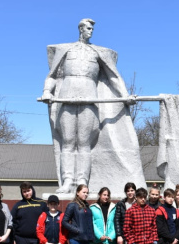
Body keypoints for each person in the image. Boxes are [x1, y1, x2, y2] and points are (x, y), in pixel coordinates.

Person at [41, 18, 143, 193]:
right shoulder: (66, 50)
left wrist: (125, 96)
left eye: (92, 29)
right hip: (66, 98)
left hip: (90, 98)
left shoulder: (98, 52)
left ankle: (82, 182)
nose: (91, 32)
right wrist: (47, 91)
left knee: (84, 142)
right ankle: (67, 181)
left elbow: (113, 76)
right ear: (80, 29)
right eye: (88, 28)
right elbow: (52, 76)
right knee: (68, 142)